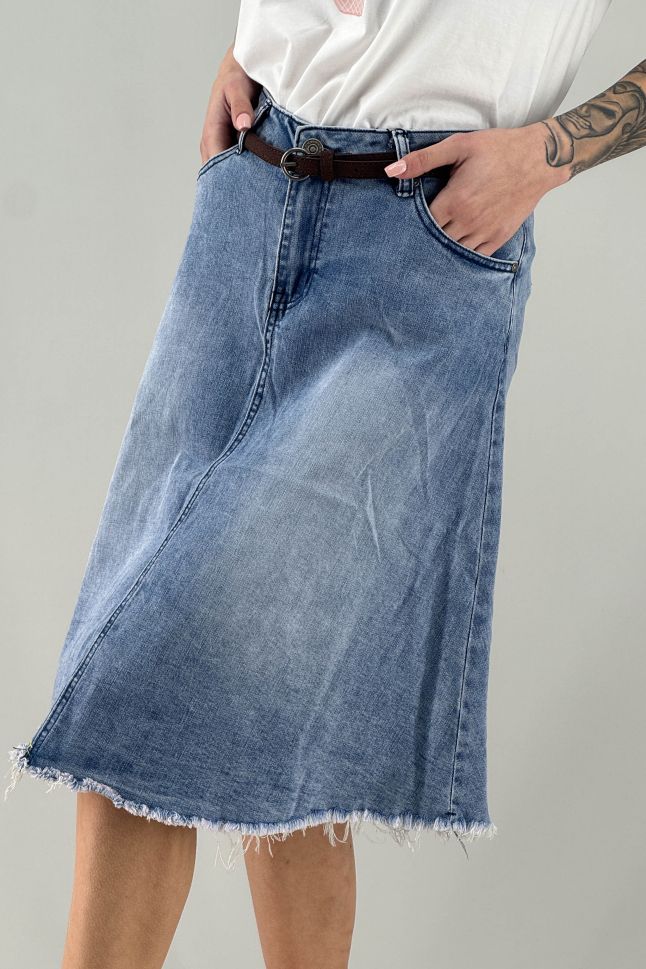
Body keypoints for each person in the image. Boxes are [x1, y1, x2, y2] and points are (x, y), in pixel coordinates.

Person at [5, 2, 643, 967]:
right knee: (291, 710)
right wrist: (256, 43)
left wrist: (547, 155)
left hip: (426, 234)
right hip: (253, 185)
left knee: (141, 698)